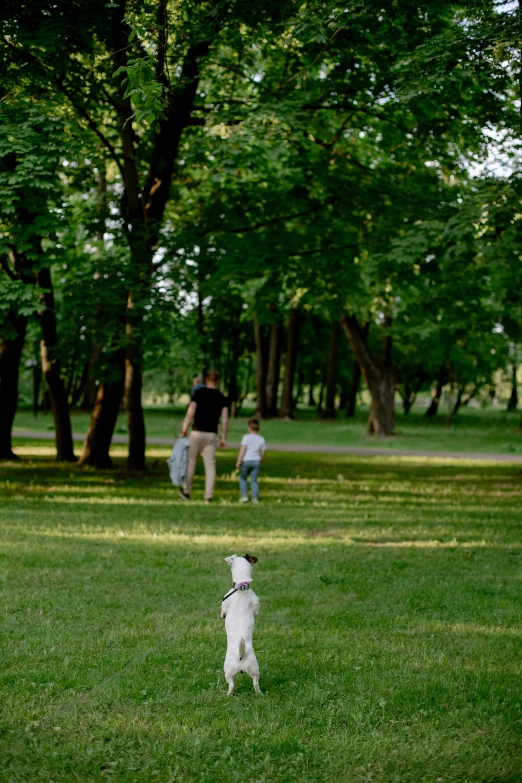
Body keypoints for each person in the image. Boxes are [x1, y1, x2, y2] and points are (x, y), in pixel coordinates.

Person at [179, 369, 228, 502]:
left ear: (206, 380)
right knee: (210, 465)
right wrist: (223, 437)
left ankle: (186, 491)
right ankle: (208, 495)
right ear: (218, 382)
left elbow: (190, 413)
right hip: (211, 435)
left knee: (190, 463)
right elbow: (224, 420)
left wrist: (184, 430)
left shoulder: (198, 394)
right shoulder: (221, 397)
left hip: (196, 433)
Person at [236, 418, 266, 504]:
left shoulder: (246, 438)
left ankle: (244, 496)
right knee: (254, 480)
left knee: (243, 478)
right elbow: (263, 452)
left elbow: (243, 449)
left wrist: (239, 460)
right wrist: (261, 460)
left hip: (246, 460)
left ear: (249, 427)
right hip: (256, 461)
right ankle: (255, 498)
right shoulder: (261, 439)